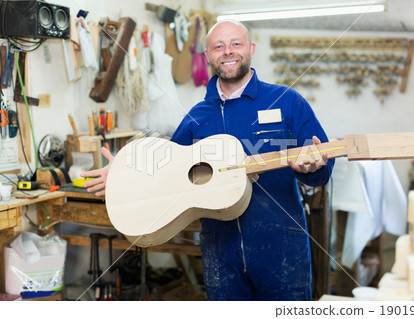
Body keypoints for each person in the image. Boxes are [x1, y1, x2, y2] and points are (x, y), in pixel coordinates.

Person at [82, 19, 334, 301]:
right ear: (208, 55)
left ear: (250, 49)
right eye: (219, 46)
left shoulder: (287, 101)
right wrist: (124, 175)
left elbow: (322, 168)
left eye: (236, 44)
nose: (228, 51)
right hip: (221, 252)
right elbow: (167, 172)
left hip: (281, 250)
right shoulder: (197, 117)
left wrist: (315, 167)